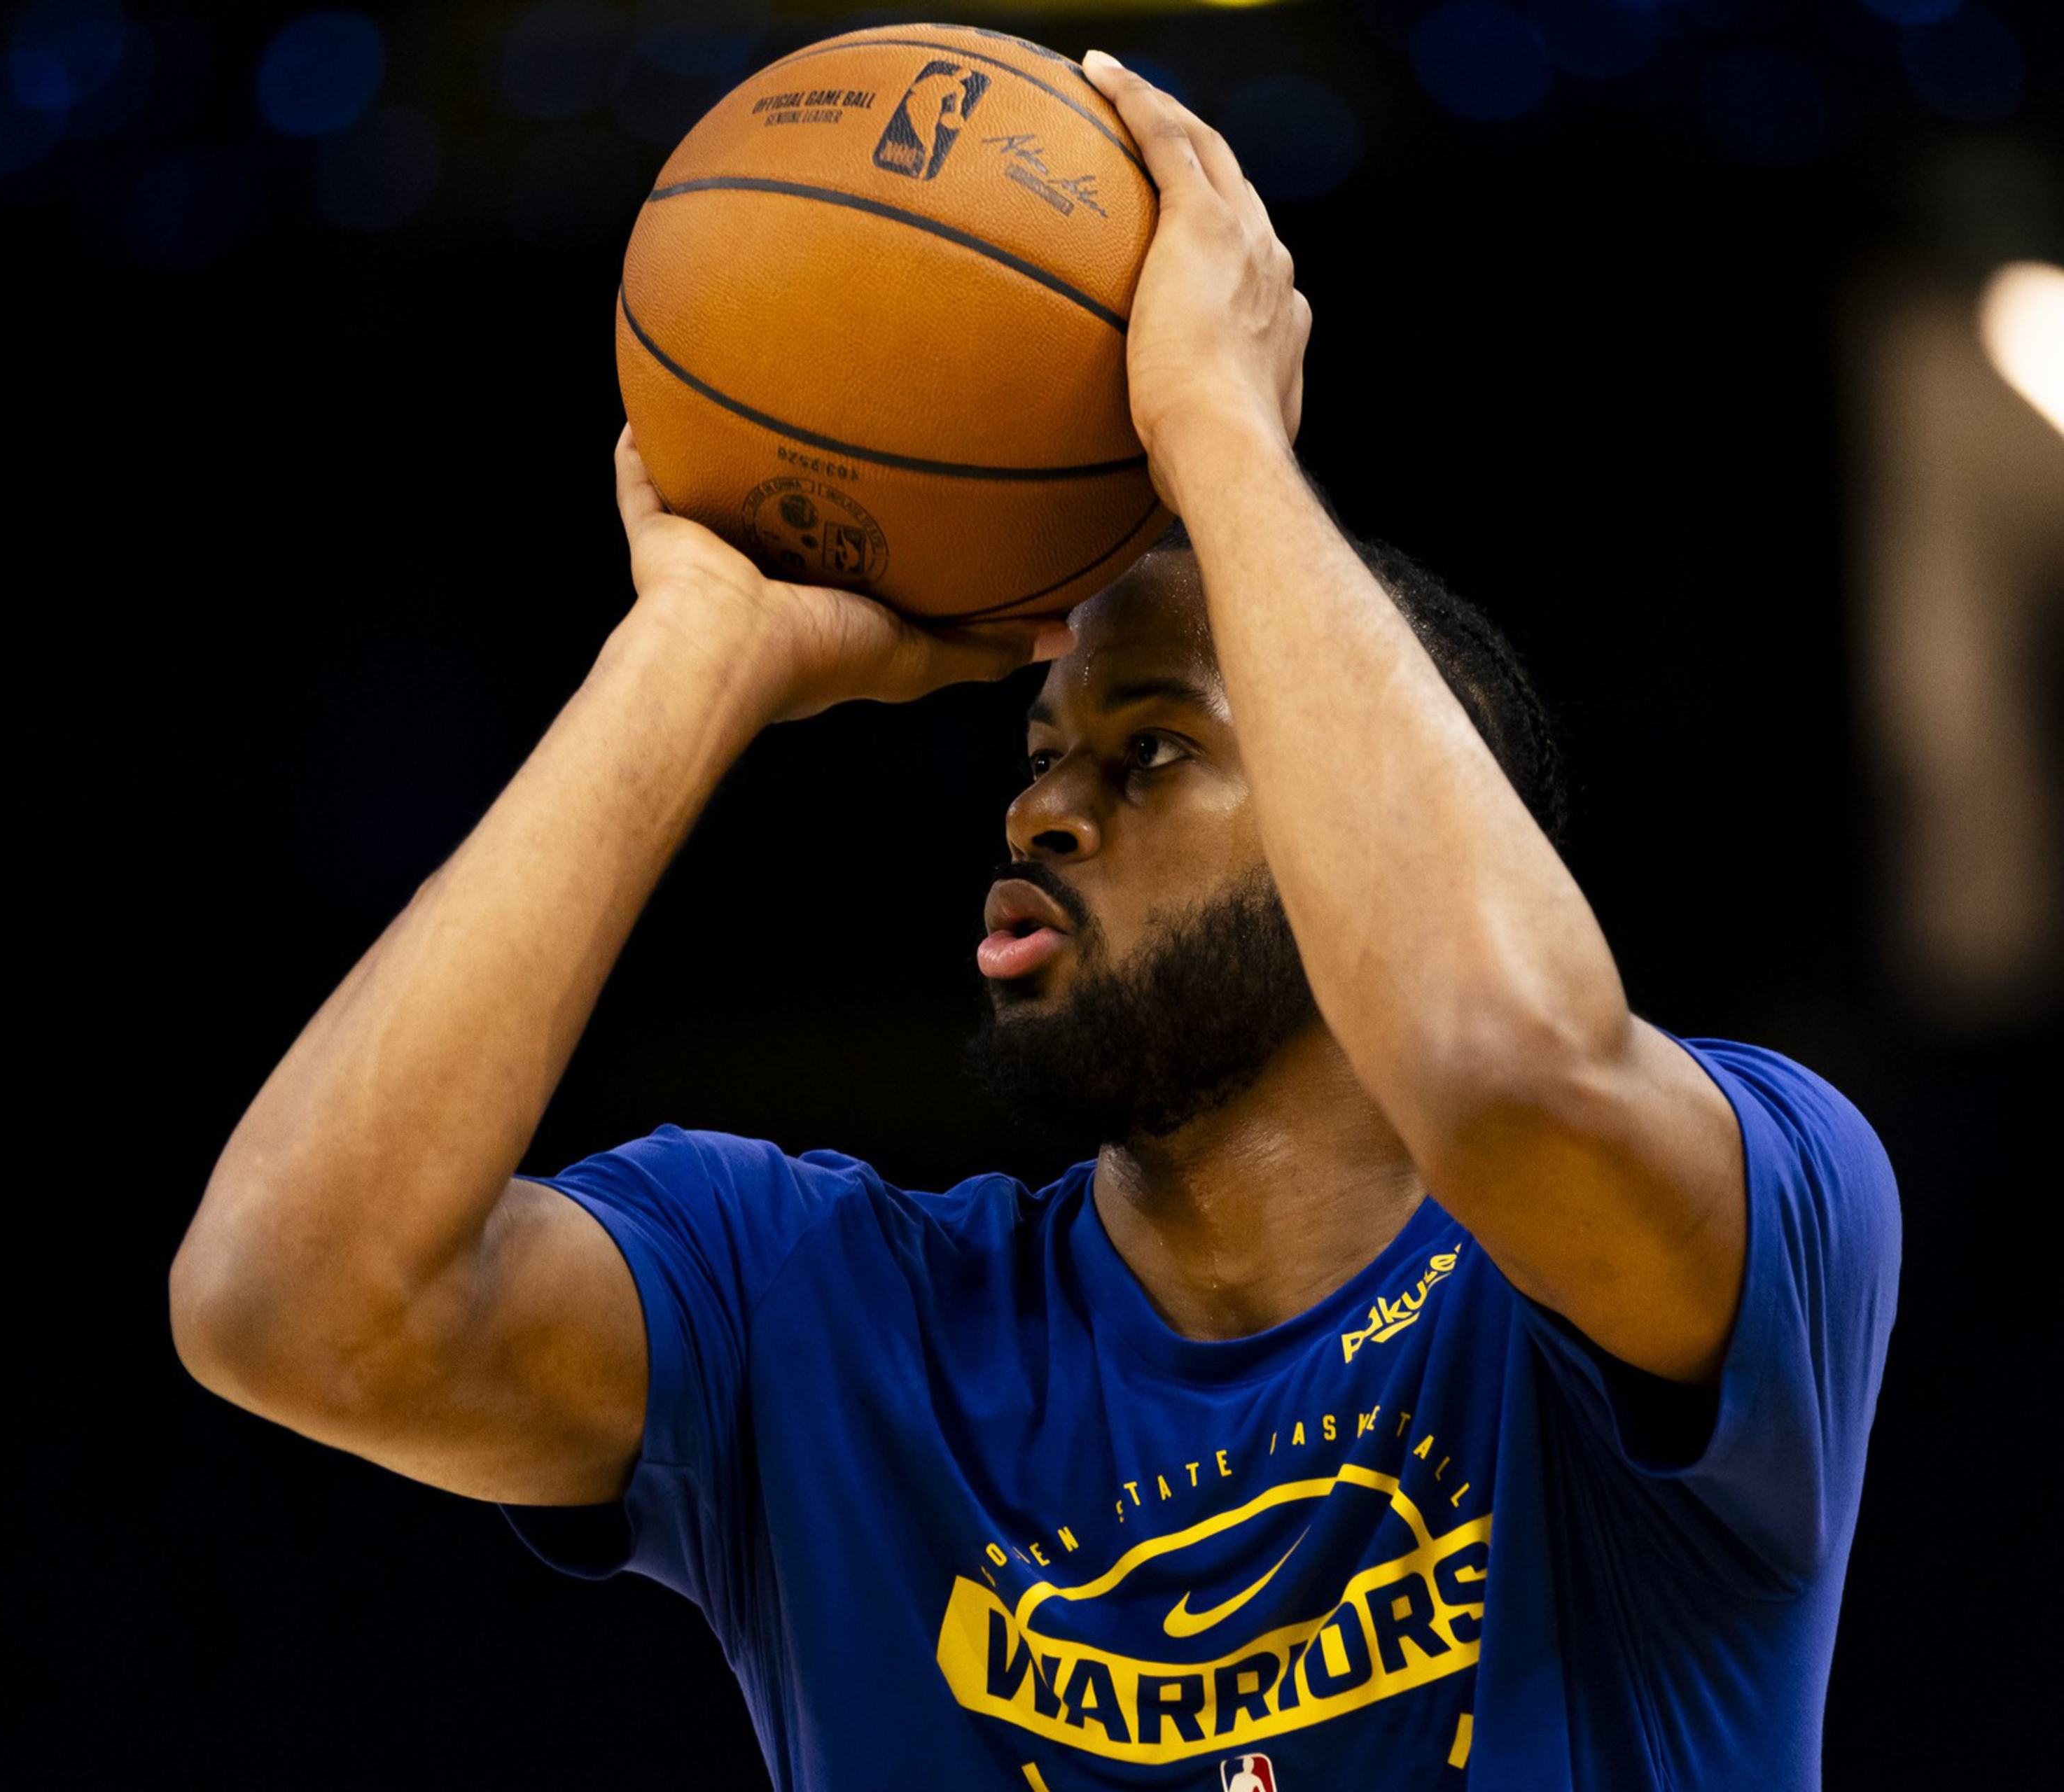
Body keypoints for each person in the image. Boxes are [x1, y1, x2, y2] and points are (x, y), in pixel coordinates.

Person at [169, 54, 1899, 1791]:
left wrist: (1218, 436)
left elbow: (1498, 1061)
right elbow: (285, 1300)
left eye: (1153, 747)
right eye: (1041, 749)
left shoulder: (1752, 1207)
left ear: (1380, 827)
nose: (1037, 806)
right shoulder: (816, 1311)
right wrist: (687, 652)